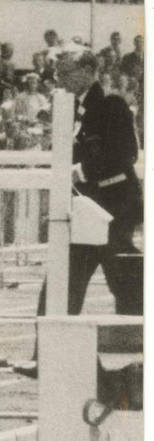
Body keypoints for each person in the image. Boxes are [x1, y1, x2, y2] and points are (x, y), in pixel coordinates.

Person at [15, 48, 143, 378]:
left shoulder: (110, 105)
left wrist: (82, 172)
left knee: (127, 284)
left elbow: (127, 153)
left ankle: (138, 355)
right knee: (64, 282)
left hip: (112, 209)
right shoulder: (74, 108)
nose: (59, 76)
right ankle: (46, 357)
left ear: (88, 70)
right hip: (87, 210)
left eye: (66, 70)